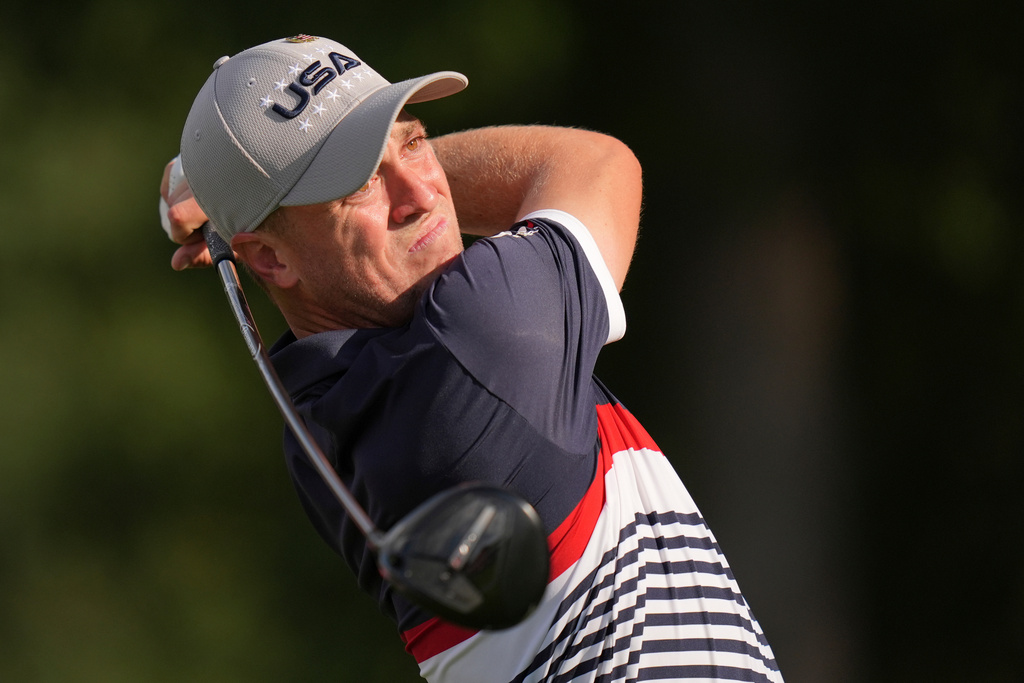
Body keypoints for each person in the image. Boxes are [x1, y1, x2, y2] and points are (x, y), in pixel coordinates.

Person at [160, 34, 784, 683]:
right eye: (362, 182)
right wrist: (230, 192)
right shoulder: (483, 331)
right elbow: (596, 162)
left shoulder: (313, 424)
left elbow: (314, 229)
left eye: (413, 141)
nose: (423, 192)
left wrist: (244, 191)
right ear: (267, 259)